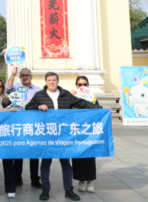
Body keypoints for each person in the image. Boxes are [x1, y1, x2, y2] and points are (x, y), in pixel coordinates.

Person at [25, 72, 103, 201]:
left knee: (66, 164)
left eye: (54, 80)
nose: (52, 82)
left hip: (63, 135)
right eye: (49, 80)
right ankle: (45, 189)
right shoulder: (39, 95)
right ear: (46, 82)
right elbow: (28, 107)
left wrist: (100, 108)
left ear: (57, 81)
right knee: (45, 164)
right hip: (47, 135)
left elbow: (81, 103)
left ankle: (68, 190)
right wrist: (38, 106)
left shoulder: (66, 94)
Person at [5, 67, 43, 188]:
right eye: (22, 75)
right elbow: (7, 88)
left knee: (34, 154)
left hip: (33, 125)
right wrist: (13, 74)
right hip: (18, 124)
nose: (25, 77)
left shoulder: (38, 90)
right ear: (19, 77)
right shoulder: (15, 88)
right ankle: (17, 178)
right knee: (18, 153)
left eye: (27, 75)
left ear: (31, 77)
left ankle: (35, 179)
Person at [70, 76, 98, 193]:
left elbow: (98, 110)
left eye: (84, 84)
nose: (82, 86)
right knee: (77, 157)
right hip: (76, 130)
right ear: (76, 85)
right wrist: (70, 96)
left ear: (88, 85)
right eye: (79, 84)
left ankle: (90, 181)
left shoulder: (93, 97)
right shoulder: (72, 96)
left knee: (90, 156)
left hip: (89, 131)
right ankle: (81, 181)